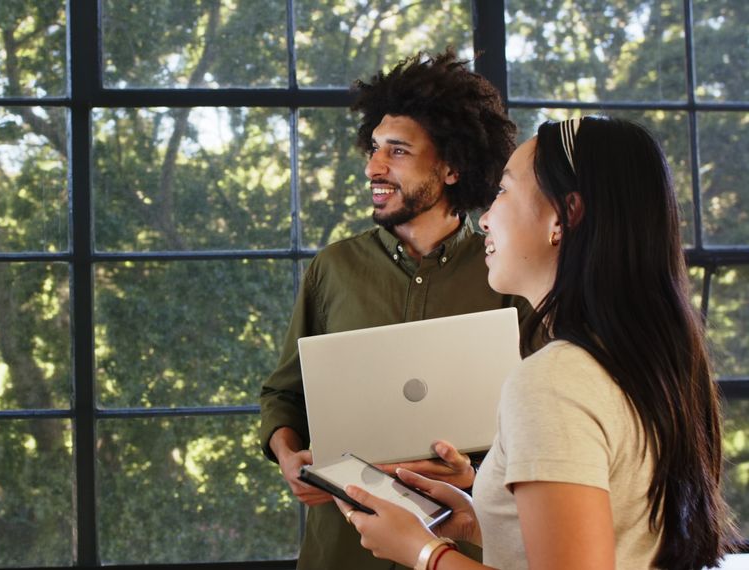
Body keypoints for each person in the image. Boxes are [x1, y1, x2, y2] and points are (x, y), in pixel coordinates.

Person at [335, 116, 737, 569]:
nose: (485, 218)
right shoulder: (648, 364)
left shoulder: (553, 382)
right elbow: (616, 535)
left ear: (564, 217)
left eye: (504, 191)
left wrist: (424, 551)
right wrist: (477, 520)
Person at [258, 49, 527, 570]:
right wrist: (288, 455)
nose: (373, 167)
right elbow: (282, 395)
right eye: (374, 148)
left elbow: (537, 423)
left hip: (462, 551)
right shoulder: (333, 268)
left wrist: (473, 475)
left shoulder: (506, 274)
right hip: (341, 550)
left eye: (397, 152)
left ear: (452, 167)